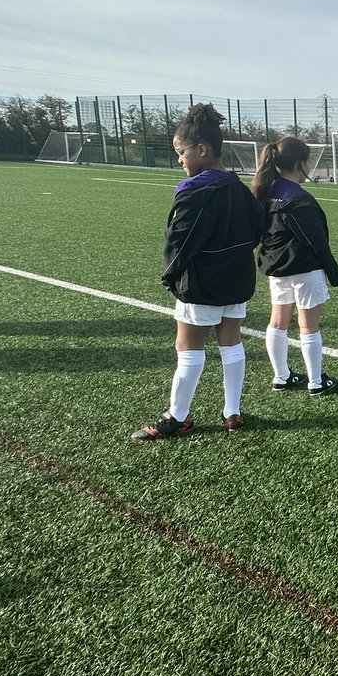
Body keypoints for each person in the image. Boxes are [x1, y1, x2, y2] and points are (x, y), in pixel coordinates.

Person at [133, 104, 264, 440]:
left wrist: (171, 276)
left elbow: (178, 243)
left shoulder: (194, 191)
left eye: (181, 152)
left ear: (202, 150)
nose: (180, 160)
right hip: (236, 282)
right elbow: (256, 231)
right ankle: (232, 411)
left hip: (201, 284)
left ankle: (178, 417)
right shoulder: (240, 189)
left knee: (188, 349)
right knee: (231, 344)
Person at [251, 136, 338, 396]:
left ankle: (281, 376)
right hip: (305, 268)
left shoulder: (265, 191)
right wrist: (332, 270)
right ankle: (315, 382)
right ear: (301, 163)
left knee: (278, 322)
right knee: (308, 326)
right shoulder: (300, 199)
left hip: (276, 268)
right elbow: (318, 241)